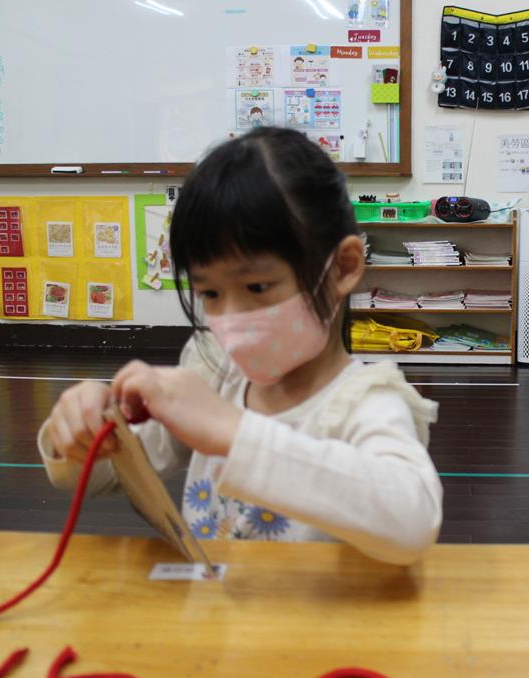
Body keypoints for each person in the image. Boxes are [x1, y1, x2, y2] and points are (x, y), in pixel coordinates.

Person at [39, 127, 443, 565]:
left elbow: (413, 522)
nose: (231, 318)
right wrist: (84, 432)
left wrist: (235, 432)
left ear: (343, 268)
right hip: (217, 603)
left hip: (315, 610)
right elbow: (110, 473)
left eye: (257, 286)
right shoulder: (213, 369)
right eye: (210, 293)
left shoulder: (365, 402)